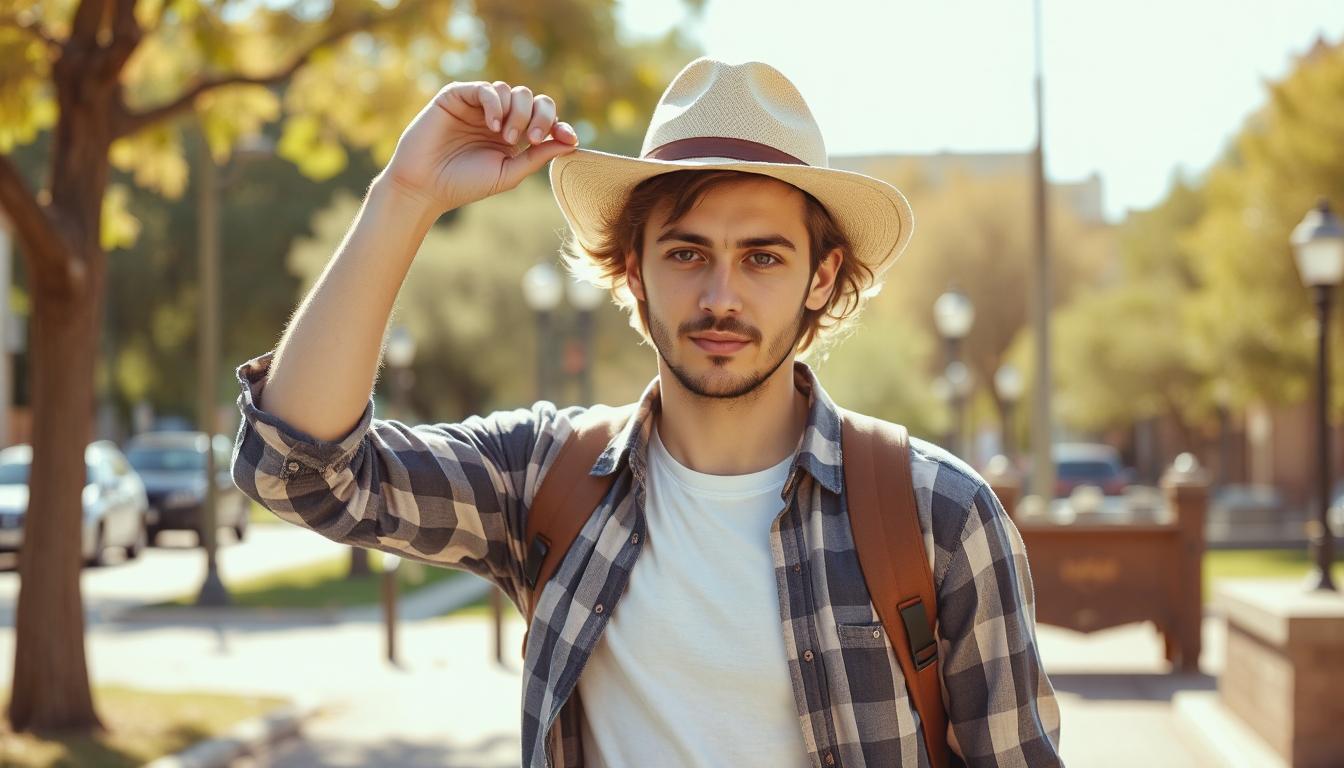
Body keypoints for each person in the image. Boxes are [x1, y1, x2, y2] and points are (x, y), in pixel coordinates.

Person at [232, 57, 1063, 768]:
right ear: (634, 271)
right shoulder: (546, 480)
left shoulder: (937, 516)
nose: (720, 296)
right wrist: (404, 194)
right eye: (686, 252)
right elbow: (300, 471)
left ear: (821, 275)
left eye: (763, 257)